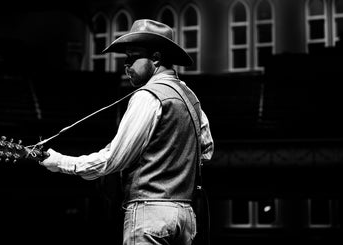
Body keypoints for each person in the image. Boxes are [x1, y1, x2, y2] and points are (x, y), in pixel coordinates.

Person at [40, 19, 214, 245]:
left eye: (132, 57)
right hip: (186, 218)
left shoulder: (148, 96)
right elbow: (207, 152)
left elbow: (113, 160)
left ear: (156, 58)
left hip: (149, 215)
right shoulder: (191, 96)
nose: (126, 65)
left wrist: (61, 162)